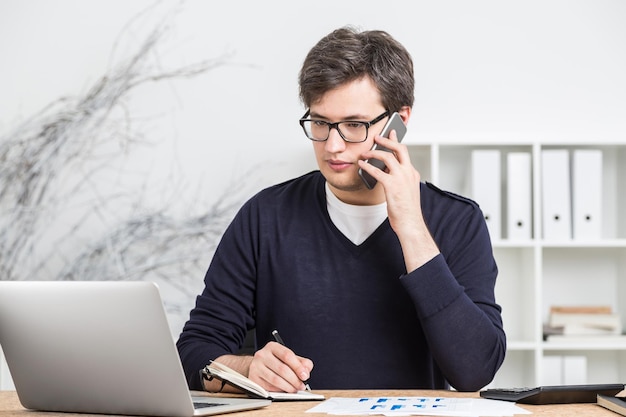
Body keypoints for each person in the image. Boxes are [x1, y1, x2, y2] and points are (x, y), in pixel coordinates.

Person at [176, 26, 506, 393]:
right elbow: (192, 352)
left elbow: (475, 370)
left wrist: (412, 229)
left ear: (401, 121)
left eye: (354, 125)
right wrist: (246, 369)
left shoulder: (457, 221)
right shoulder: (264, 218)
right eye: (320, 122)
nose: (332, 146)